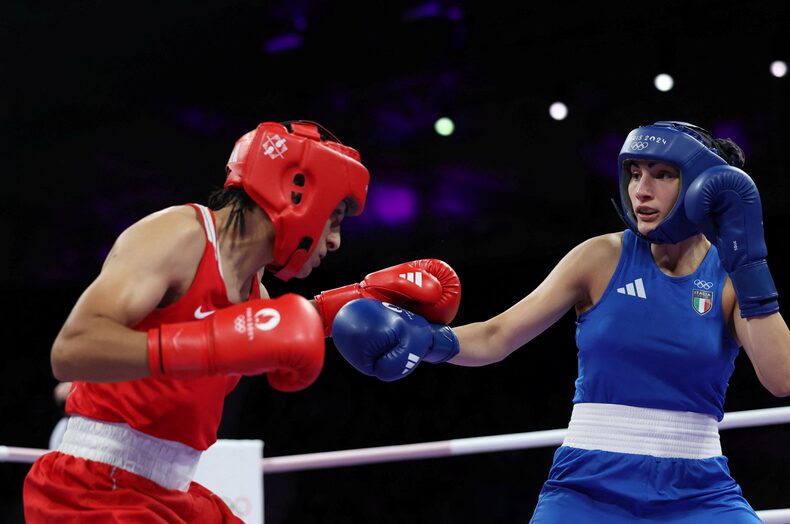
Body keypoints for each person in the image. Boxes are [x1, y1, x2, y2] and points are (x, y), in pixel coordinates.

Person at [331, 121, 790, 522]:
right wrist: (429, 339)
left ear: (703, 186)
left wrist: (749, 264)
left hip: (699, 491)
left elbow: (780, 377)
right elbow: (497, 335)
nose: (640, 190)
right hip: (589, 487)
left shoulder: (730, 277)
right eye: (635, 173)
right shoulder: (600, 257)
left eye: (663, 174)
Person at [23, 120, 461, 523]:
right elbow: (71, 351)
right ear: (298, 193)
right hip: (94, 489)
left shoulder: (256, 292)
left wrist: (356, 298)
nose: (334, 240)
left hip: (167, 493)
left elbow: (269, 330)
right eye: (335, 218)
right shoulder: (179, 235)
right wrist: (208, 344)